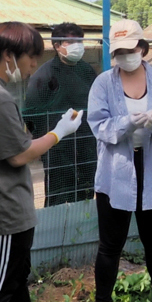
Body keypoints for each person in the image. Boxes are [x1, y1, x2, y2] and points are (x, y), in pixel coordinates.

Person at [0, 21, 83, 302]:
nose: (34, 64)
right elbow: (20, 155)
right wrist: (59, 132)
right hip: (3, 212)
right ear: (9, 55)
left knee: (13, 282)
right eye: (31, 57)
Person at [87, 19, 152, 302]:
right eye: (118, 53)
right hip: (115, 171)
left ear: (142, 48)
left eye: (129, 50)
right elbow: (98, 125)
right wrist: (126, 122)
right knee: (110, 244)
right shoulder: (103, 83)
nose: (124, 57)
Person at [25, 22, 97, 206]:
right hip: (57, 147)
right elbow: (30, 114)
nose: (77, 46)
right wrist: (48, 138)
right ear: (57, 46)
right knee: (59, 194)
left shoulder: (87, 71)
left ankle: (82, 228)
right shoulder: (44, 75)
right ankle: (56, 231)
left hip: (86, 143)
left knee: (86, 190)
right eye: (71, 42)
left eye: (80, 41)